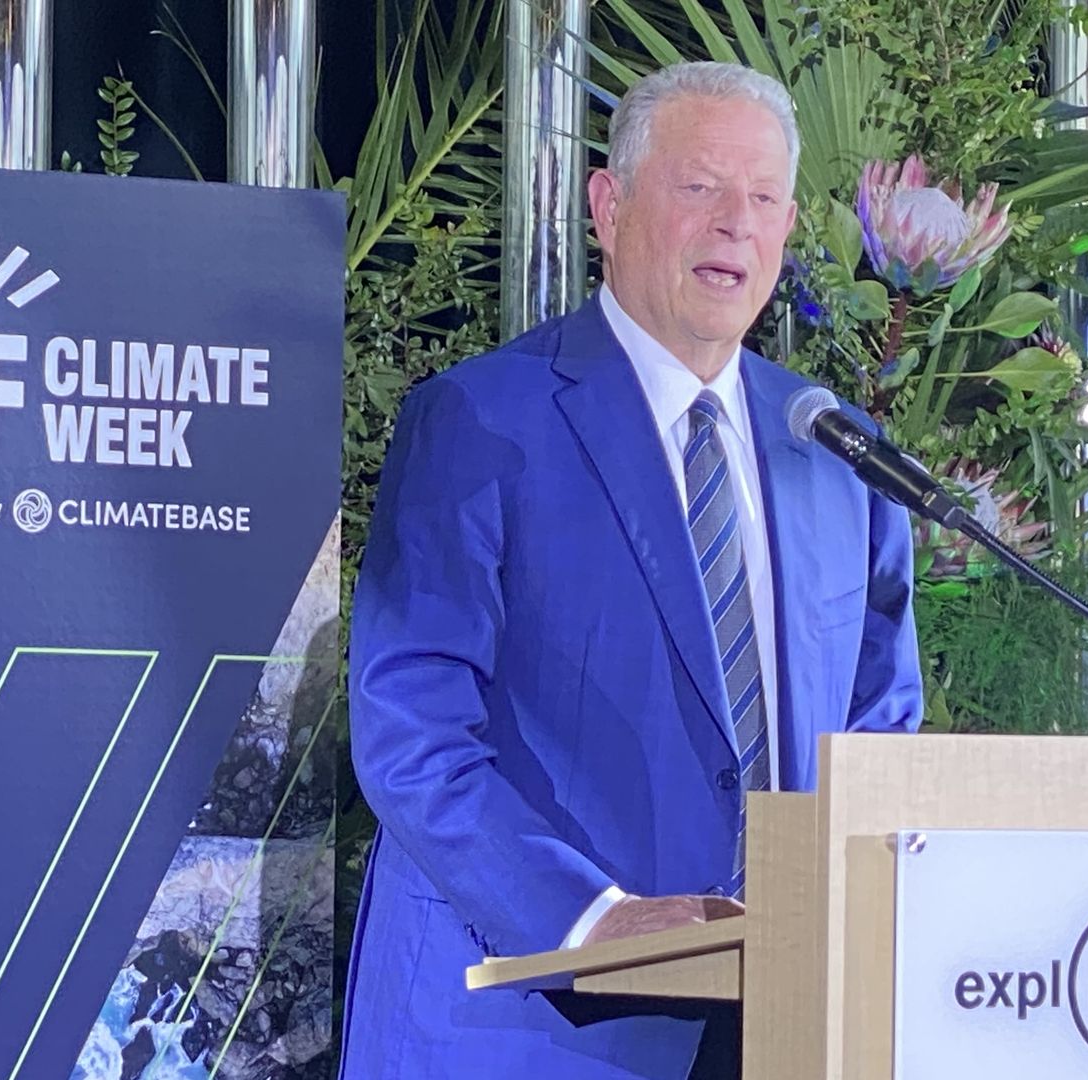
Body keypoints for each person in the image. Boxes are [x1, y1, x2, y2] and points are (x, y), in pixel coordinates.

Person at [338, 60, 923, 1078]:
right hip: (529, 1023)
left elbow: (881, 723)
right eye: (700, 186)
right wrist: (593, 917)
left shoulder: (833, 447)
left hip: (789, 1026)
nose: (736, 221)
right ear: (610, 207)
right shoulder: (482, 420)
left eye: (765, 197)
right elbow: (413, 732)